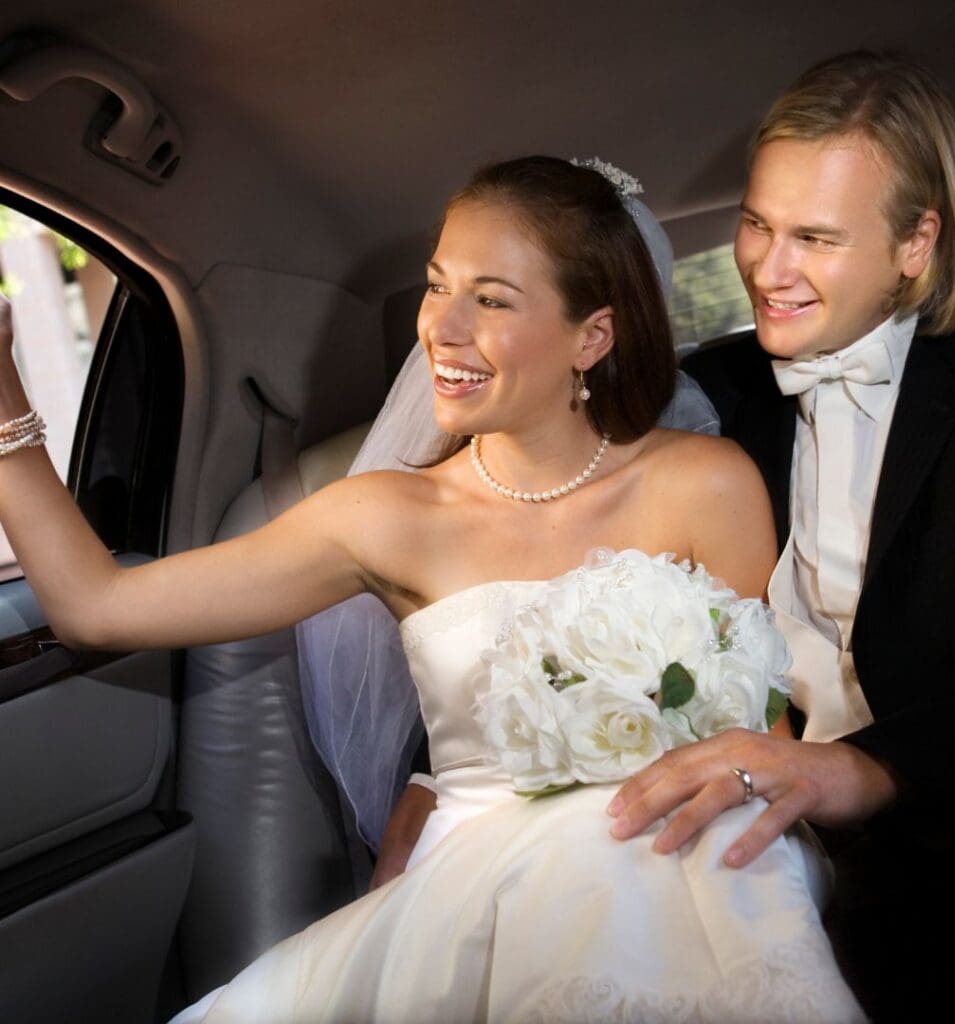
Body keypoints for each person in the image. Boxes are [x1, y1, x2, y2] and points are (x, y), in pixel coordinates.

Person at [0, 156, 867, 1022]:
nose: (441, 329)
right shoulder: (384, 516)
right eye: (436, 286)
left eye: (491, 299)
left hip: (698, 875)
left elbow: (766, 747)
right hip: (472, 904)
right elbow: (95, 607)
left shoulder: (707, 484)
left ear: (591, 336)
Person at [612, 52, 955, 1018]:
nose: (768, 268)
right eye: (756, 223)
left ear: (917, 242)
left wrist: (873, 767)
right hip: (754, 850)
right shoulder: (713, 394)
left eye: (817, 238)